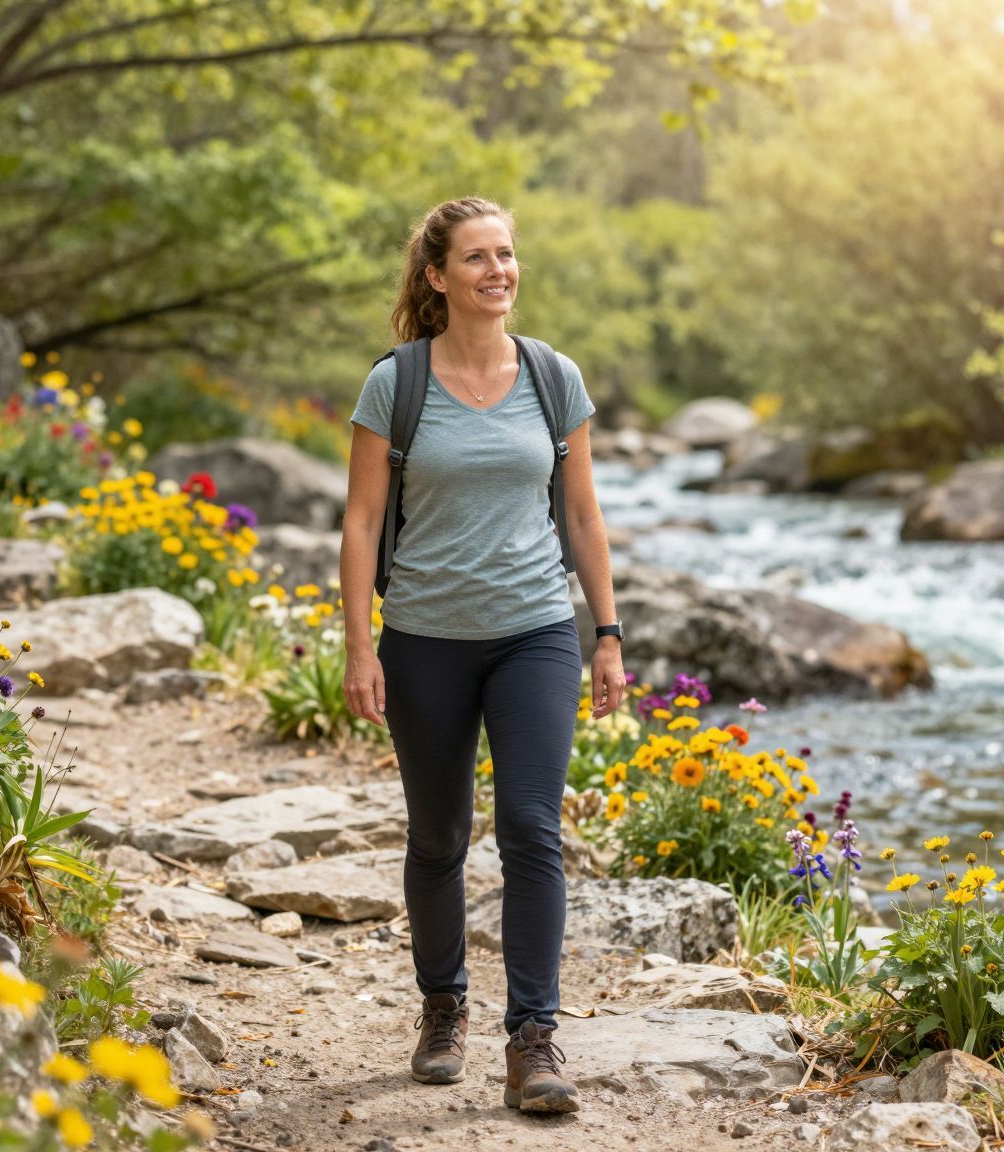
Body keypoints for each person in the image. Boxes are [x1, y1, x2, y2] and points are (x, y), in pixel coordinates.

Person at [339, 197, 626, 1114]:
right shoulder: (397, 383)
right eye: (476, 258)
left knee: (533, 831)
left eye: (507, 255)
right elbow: (360, 521)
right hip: (424, 637)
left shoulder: (553, 378)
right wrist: (358, 648)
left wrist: (608, 634)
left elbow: (581, 516)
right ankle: (442, 1008)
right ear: (437, 276)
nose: (498, 270)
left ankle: (533, 1037)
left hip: (536, 633)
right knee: (438, 837)